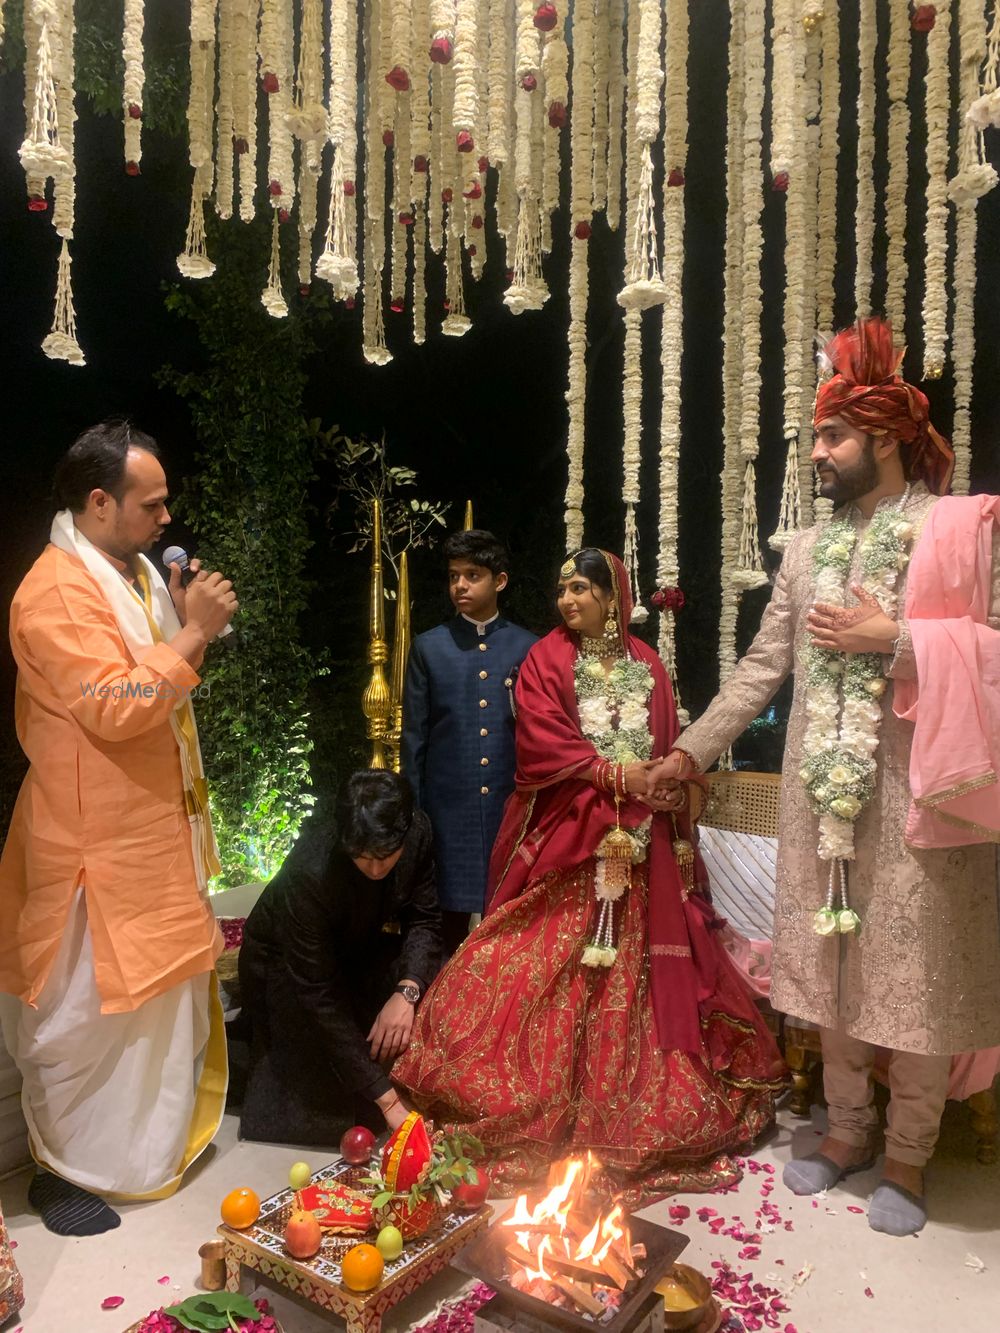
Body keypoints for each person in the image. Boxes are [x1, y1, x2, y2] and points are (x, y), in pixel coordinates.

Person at [653, 318, 1000, 1236]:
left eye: (832, 436)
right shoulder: (804, 551)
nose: (816, 453)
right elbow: (763, 666)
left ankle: (911, 1156)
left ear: (884, 436)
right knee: (838, 973)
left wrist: (904, 642)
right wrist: (691, 749)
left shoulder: (958, 529)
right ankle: (844, 1132)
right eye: (815, 436)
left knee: (913, 976)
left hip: (925, 798)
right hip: (822, 795)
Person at [393, 549, 786, 1203]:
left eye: (580, 588)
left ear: (613, 596)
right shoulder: (548, 659)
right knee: (525, 959)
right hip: (572, 829)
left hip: (641, 844)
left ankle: (621, 1111)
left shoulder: (648, 665)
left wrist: (658, 787)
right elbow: (541, 742)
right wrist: (611, 776)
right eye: (561, 588)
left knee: (630, 983)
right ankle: (522, 1092)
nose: (567, 600)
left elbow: (665, 745)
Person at [0, 420, 236, 1236]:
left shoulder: (128, 571)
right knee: (81, 1021)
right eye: (152, 501)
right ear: (99, 501)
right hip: (88, 853)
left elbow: (154, 684)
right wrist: (195, 632)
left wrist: (177, 624)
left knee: (155, 1007)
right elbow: (114, 706)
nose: (167, 516)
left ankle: (147, 1151)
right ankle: (62, 1167)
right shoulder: (54, 591)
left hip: (150, 838)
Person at [238, 769, 443, 1144]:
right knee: (325, 1111)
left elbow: (426, 919)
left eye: (386, 857)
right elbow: (318, 994)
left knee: (439, 974)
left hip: (353, 949)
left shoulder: (417, 832)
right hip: (283, 965)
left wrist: (407, 992)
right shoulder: (310, 871)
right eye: (364, 859)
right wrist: (387, 1101)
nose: (377, 869)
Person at [402, 529, 537, 954]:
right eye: (454, 576)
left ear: (499, 581)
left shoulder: (527, 647)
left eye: (473, 575)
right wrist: (415, 815)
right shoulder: (429, 647)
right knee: (444, 927)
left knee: (513, 926)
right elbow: (414, 738)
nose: (460, 585)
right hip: (448, 812)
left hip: (508, 806)